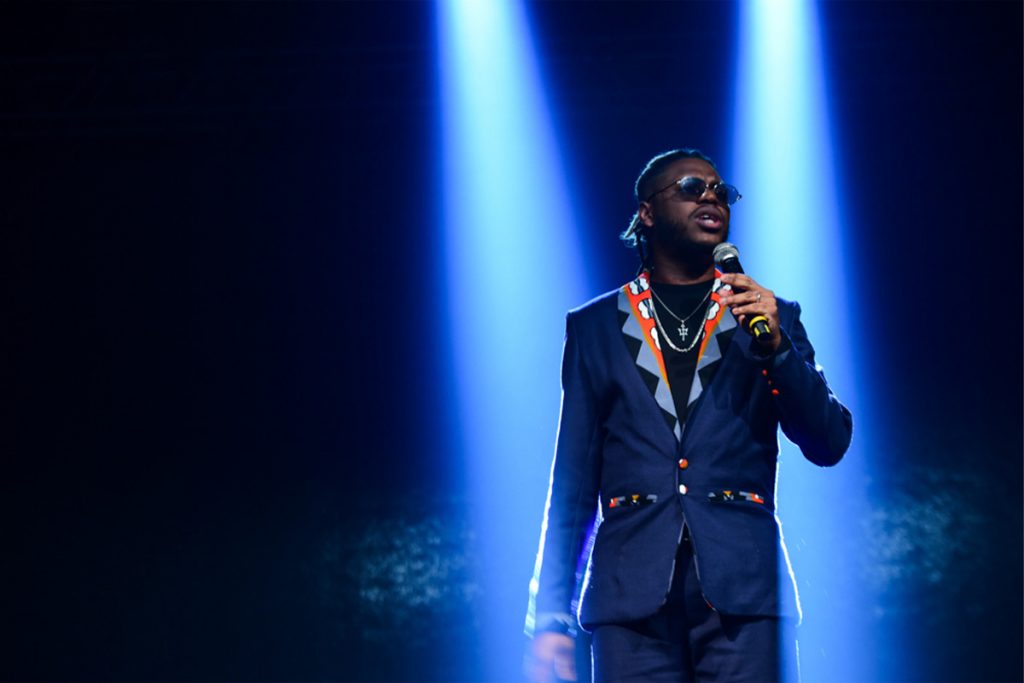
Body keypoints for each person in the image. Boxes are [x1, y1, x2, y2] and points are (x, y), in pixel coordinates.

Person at [524, 149, 853, 682]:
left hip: (744, 595)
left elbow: (829, 441)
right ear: (647, 212)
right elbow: (573, 483)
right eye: (692, 187)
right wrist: (550, 619)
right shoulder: (596, 327)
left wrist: (777, 352)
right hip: (629, 601)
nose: (711, 197)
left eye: (721, 191)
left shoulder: (768, 314)